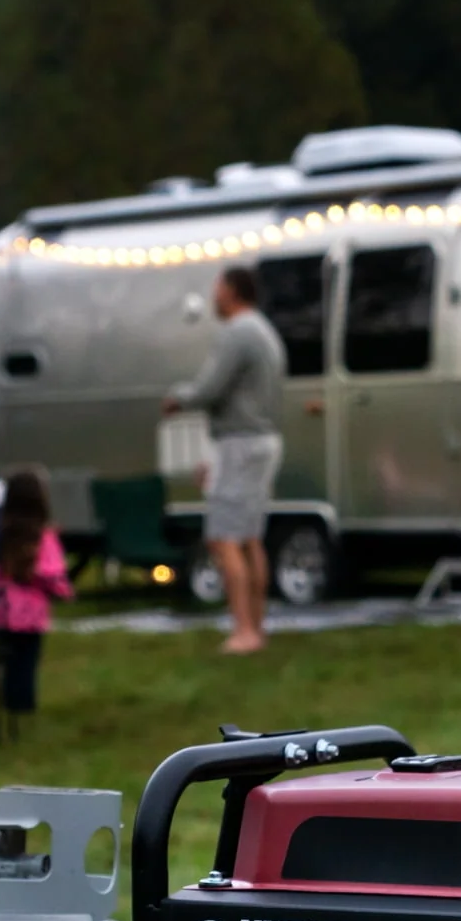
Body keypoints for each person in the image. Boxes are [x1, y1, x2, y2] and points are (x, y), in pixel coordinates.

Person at [161, 264, 285, 655]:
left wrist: (177, 398)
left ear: (233, 291)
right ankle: (257, 629)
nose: (214, 295)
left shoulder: (238, 332)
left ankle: (244, 632)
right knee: (249, 537)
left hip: (241, 445)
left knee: (223, 537)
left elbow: (210, 388)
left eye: (217, 287)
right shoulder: (265, 331)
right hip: (260, 440)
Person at [0, 466, 72, 718]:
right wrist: (63, 591)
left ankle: (6, 703)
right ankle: (23, 708)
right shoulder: (42, 537)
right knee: (25, 662)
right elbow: (52, 572)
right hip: (30, 615)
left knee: (6, 662)